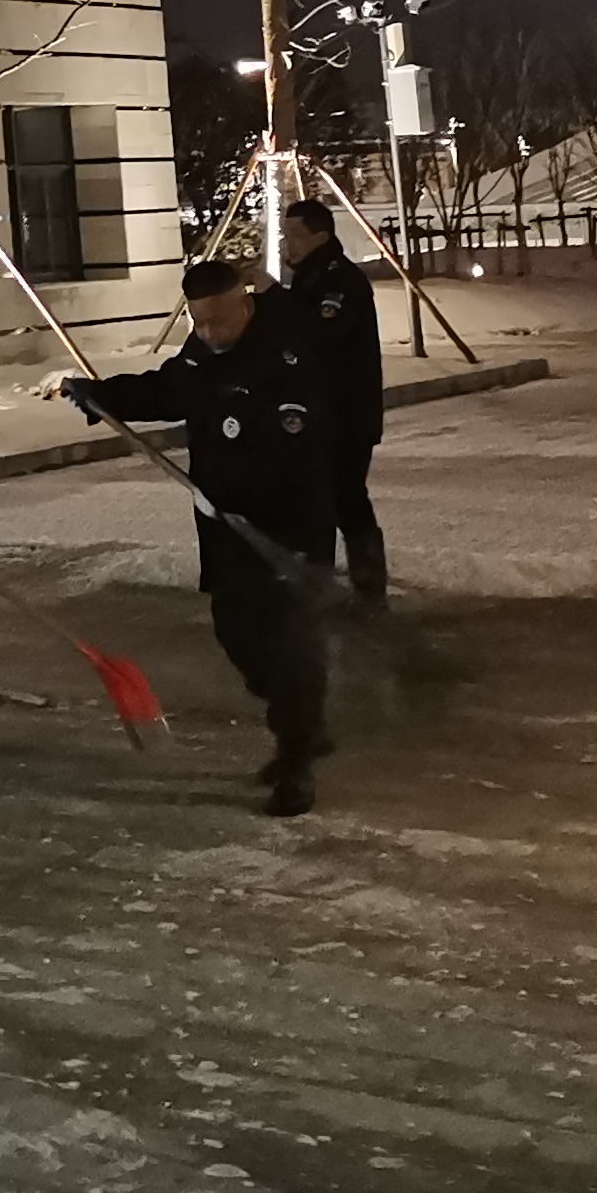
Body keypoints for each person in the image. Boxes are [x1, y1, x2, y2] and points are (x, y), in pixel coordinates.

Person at [63, 256, 339, 817]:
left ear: (245, 303)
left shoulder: (286, 354)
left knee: (290, 646)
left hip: (286, 532)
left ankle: (297, 764)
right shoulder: (202, 351)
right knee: (236, 635)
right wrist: (100, 395)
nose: (209, 333)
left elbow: (301, 454)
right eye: (200, 322)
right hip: (224, 530)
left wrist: (269, 520)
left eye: (219, 321)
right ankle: (302, 723)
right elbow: (170, 390)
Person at [281, 199, 388, 607]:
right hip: (319, 414)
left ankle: (366, 588)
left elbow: (319, 336)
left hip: (346, 415)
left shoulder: (340, 280)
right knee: (320, 501)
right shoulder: (309, 278)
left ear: (321, 237)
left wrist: (275, 302)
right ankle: (323, 587)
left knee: (344, 498)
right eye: (286, 235)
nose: (288, 243)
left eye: (296, 235)